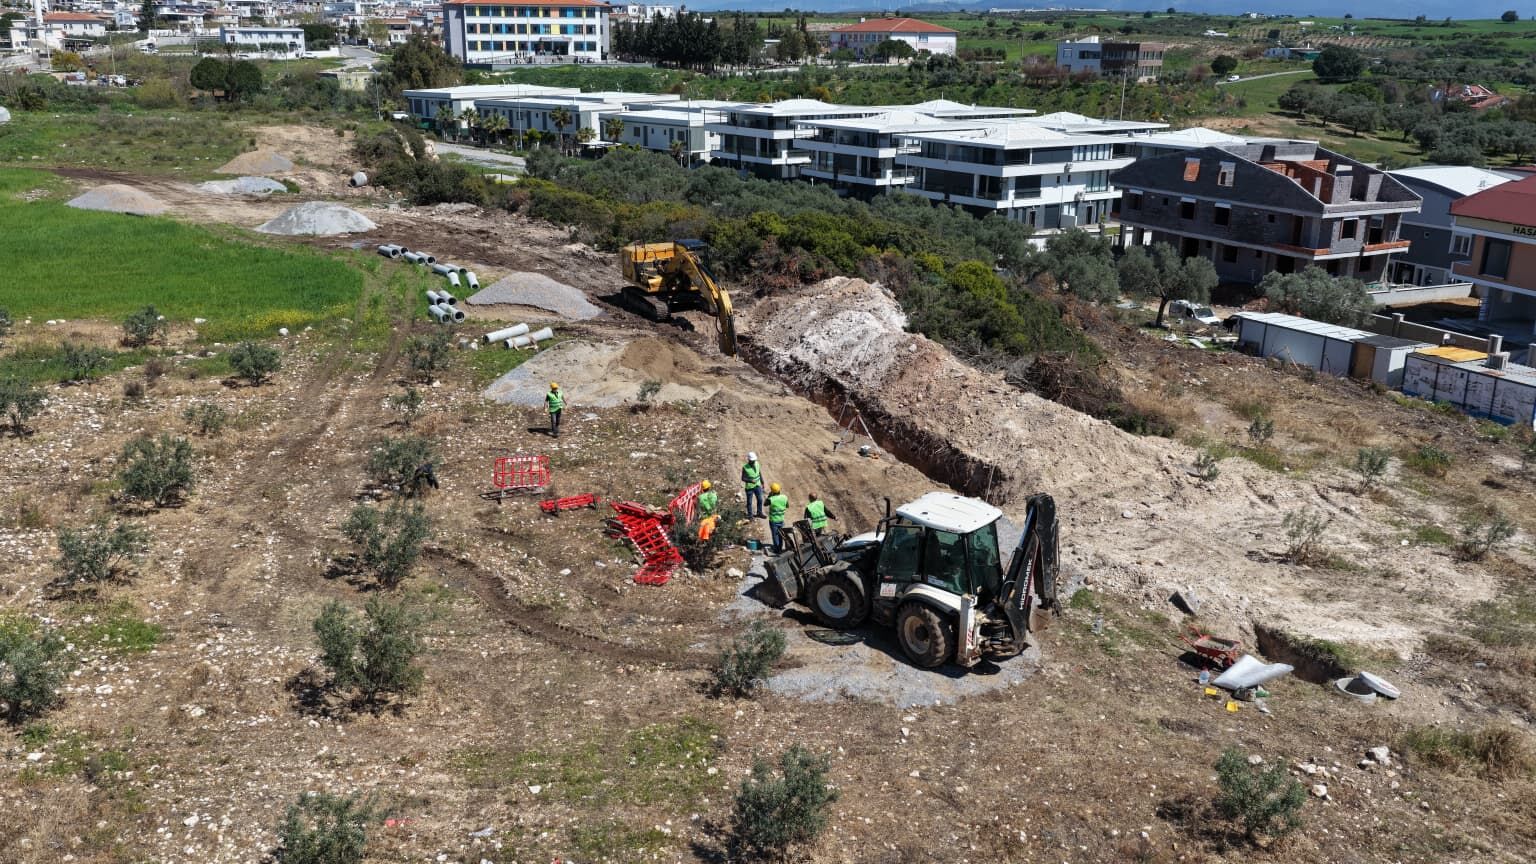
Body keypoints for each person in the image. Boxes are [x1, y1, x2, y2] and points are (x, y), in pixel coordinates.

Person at [741, 452, 765, 519]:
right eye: (752, 461)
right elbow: (743, 478)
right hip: (749, 488)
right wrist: (750, 480)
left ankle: (759, 513)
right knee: (749, 502)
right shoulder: (745, 467)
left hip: (757, 485)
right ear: (749, 460)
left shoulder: (757, 463)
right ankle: (750, 515)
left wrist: (762, 481)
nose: (753, 462)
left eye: (754, 460)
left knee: (760, 499)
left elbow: (759, 473)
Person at [767, 482, 789, 554]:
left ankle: (777, 550)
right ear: (779, 490)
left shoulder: (771, 499)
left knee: (775, 535)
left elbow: (765, 504)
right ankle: (780, 547)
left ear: (772, 491)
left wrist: (769, 496)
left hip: (773, 520)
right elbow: (787, 506)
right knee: (781, 534)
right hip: (781, 519)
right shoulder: (784, 497)